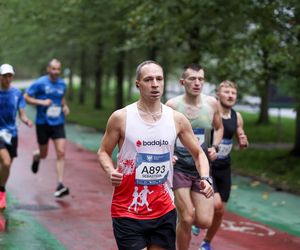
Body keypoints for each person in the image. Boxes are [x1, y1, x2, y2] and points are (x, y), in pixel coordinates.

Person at [97, 60, 214, 250]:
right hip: (128, 209)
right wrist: (110, 170)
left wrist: (206, 178)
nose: (155, 84)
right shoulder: (121, 117)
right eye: (148, 79)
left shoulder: (176, 119)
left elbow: (199, 153)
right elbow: (103, 151)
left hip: (163, 209)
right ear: (138, 84)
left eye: (159, 79)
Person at [165, 64, 223, 250]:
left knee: (204, 221)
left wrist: (215, 146)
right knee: (188, 217)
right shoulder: (172, 105)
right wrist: (169, 154)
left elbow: (219, 127)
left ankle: (185, 221)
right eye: (192, 79)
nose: (197, 83)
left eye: (201, 79)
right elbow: (162, 133)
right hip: (179, 168)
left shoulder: (212, 104)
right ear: (183, 82)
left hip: (201, 168)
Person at [199, 80, 249, 250]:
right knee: (216, 204)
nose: (230, 95)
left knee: (220, 211)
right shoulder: (210, 113)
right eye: (226, 92)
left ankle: (206, 242)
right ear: (218, 95)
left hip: (225, 168)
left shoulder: (237, 116)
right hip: (209, 166)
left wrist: (243, 141)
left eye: (233, 93)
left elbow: (240, 135)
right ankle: (198, 215)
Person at [24, 59, 70, 198]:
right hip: (43, 123)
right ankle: (36, 156)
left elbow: (61, 98)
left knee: (61, 152)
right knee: (44, 154)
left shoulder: (62, 83)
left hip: (58, 122)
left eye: (58, 69)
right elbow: (26, 97)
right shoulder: (40, 83)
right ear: (48, 69)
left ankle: (60, 184)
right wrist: (41, 102)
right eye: (53, 69)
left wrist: (65, 106)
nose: (56, 72)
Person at [0, 64, 32, 210]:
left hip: (12, 134)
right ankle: (1, 192)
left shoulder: (17, 93)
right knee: (6, 163)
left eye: (10, 76)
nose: (7, 78)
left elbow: (22, 112)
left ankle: (1, 189)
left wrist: (26, 120)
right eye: (5, 76)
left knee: (7, 165)